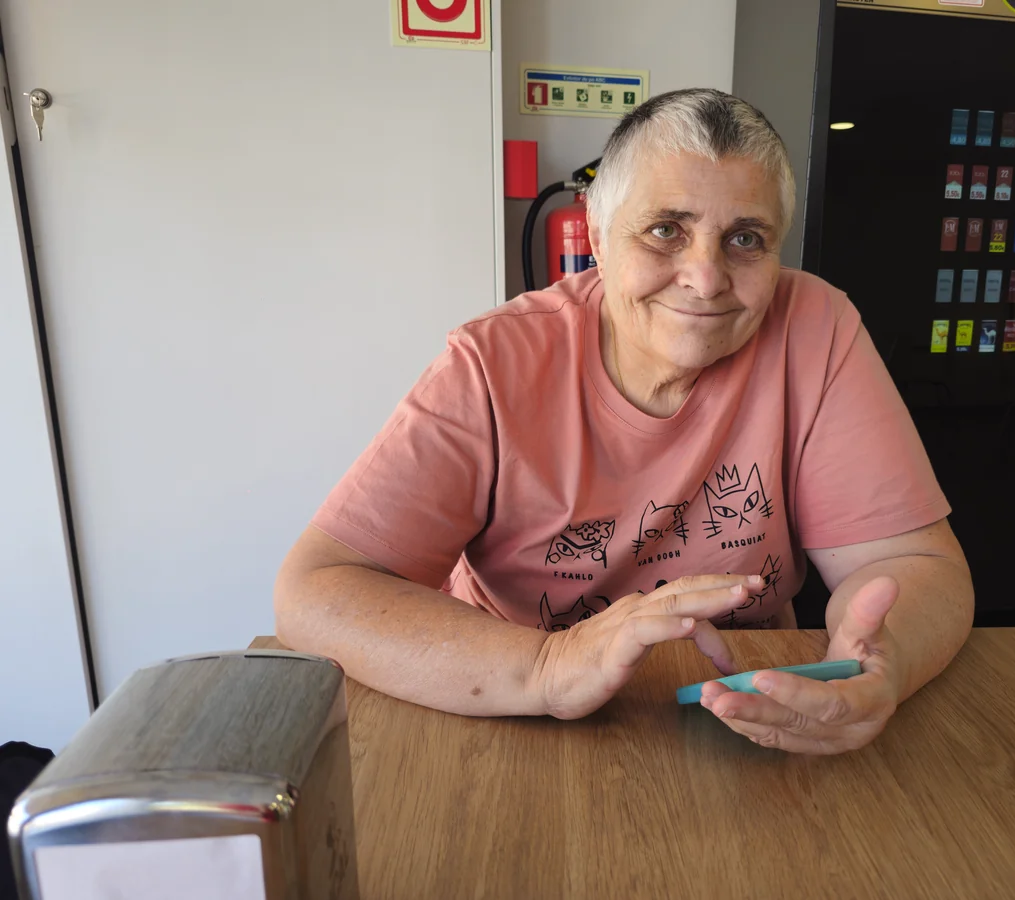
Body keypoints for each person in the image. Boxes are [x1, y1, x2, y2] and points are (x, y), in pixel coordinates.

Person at [275, 88, 974, 754]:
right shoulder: (491, 363)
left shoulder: (816, 326)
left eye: (745, 238)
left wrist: (885, 660)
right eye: (666, 231)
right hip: (514, 709)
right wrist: (550, 667)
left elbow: (914, 565)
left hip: (746, 709)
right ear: (599, 238)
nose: (706, 277)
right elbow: (317, 590)